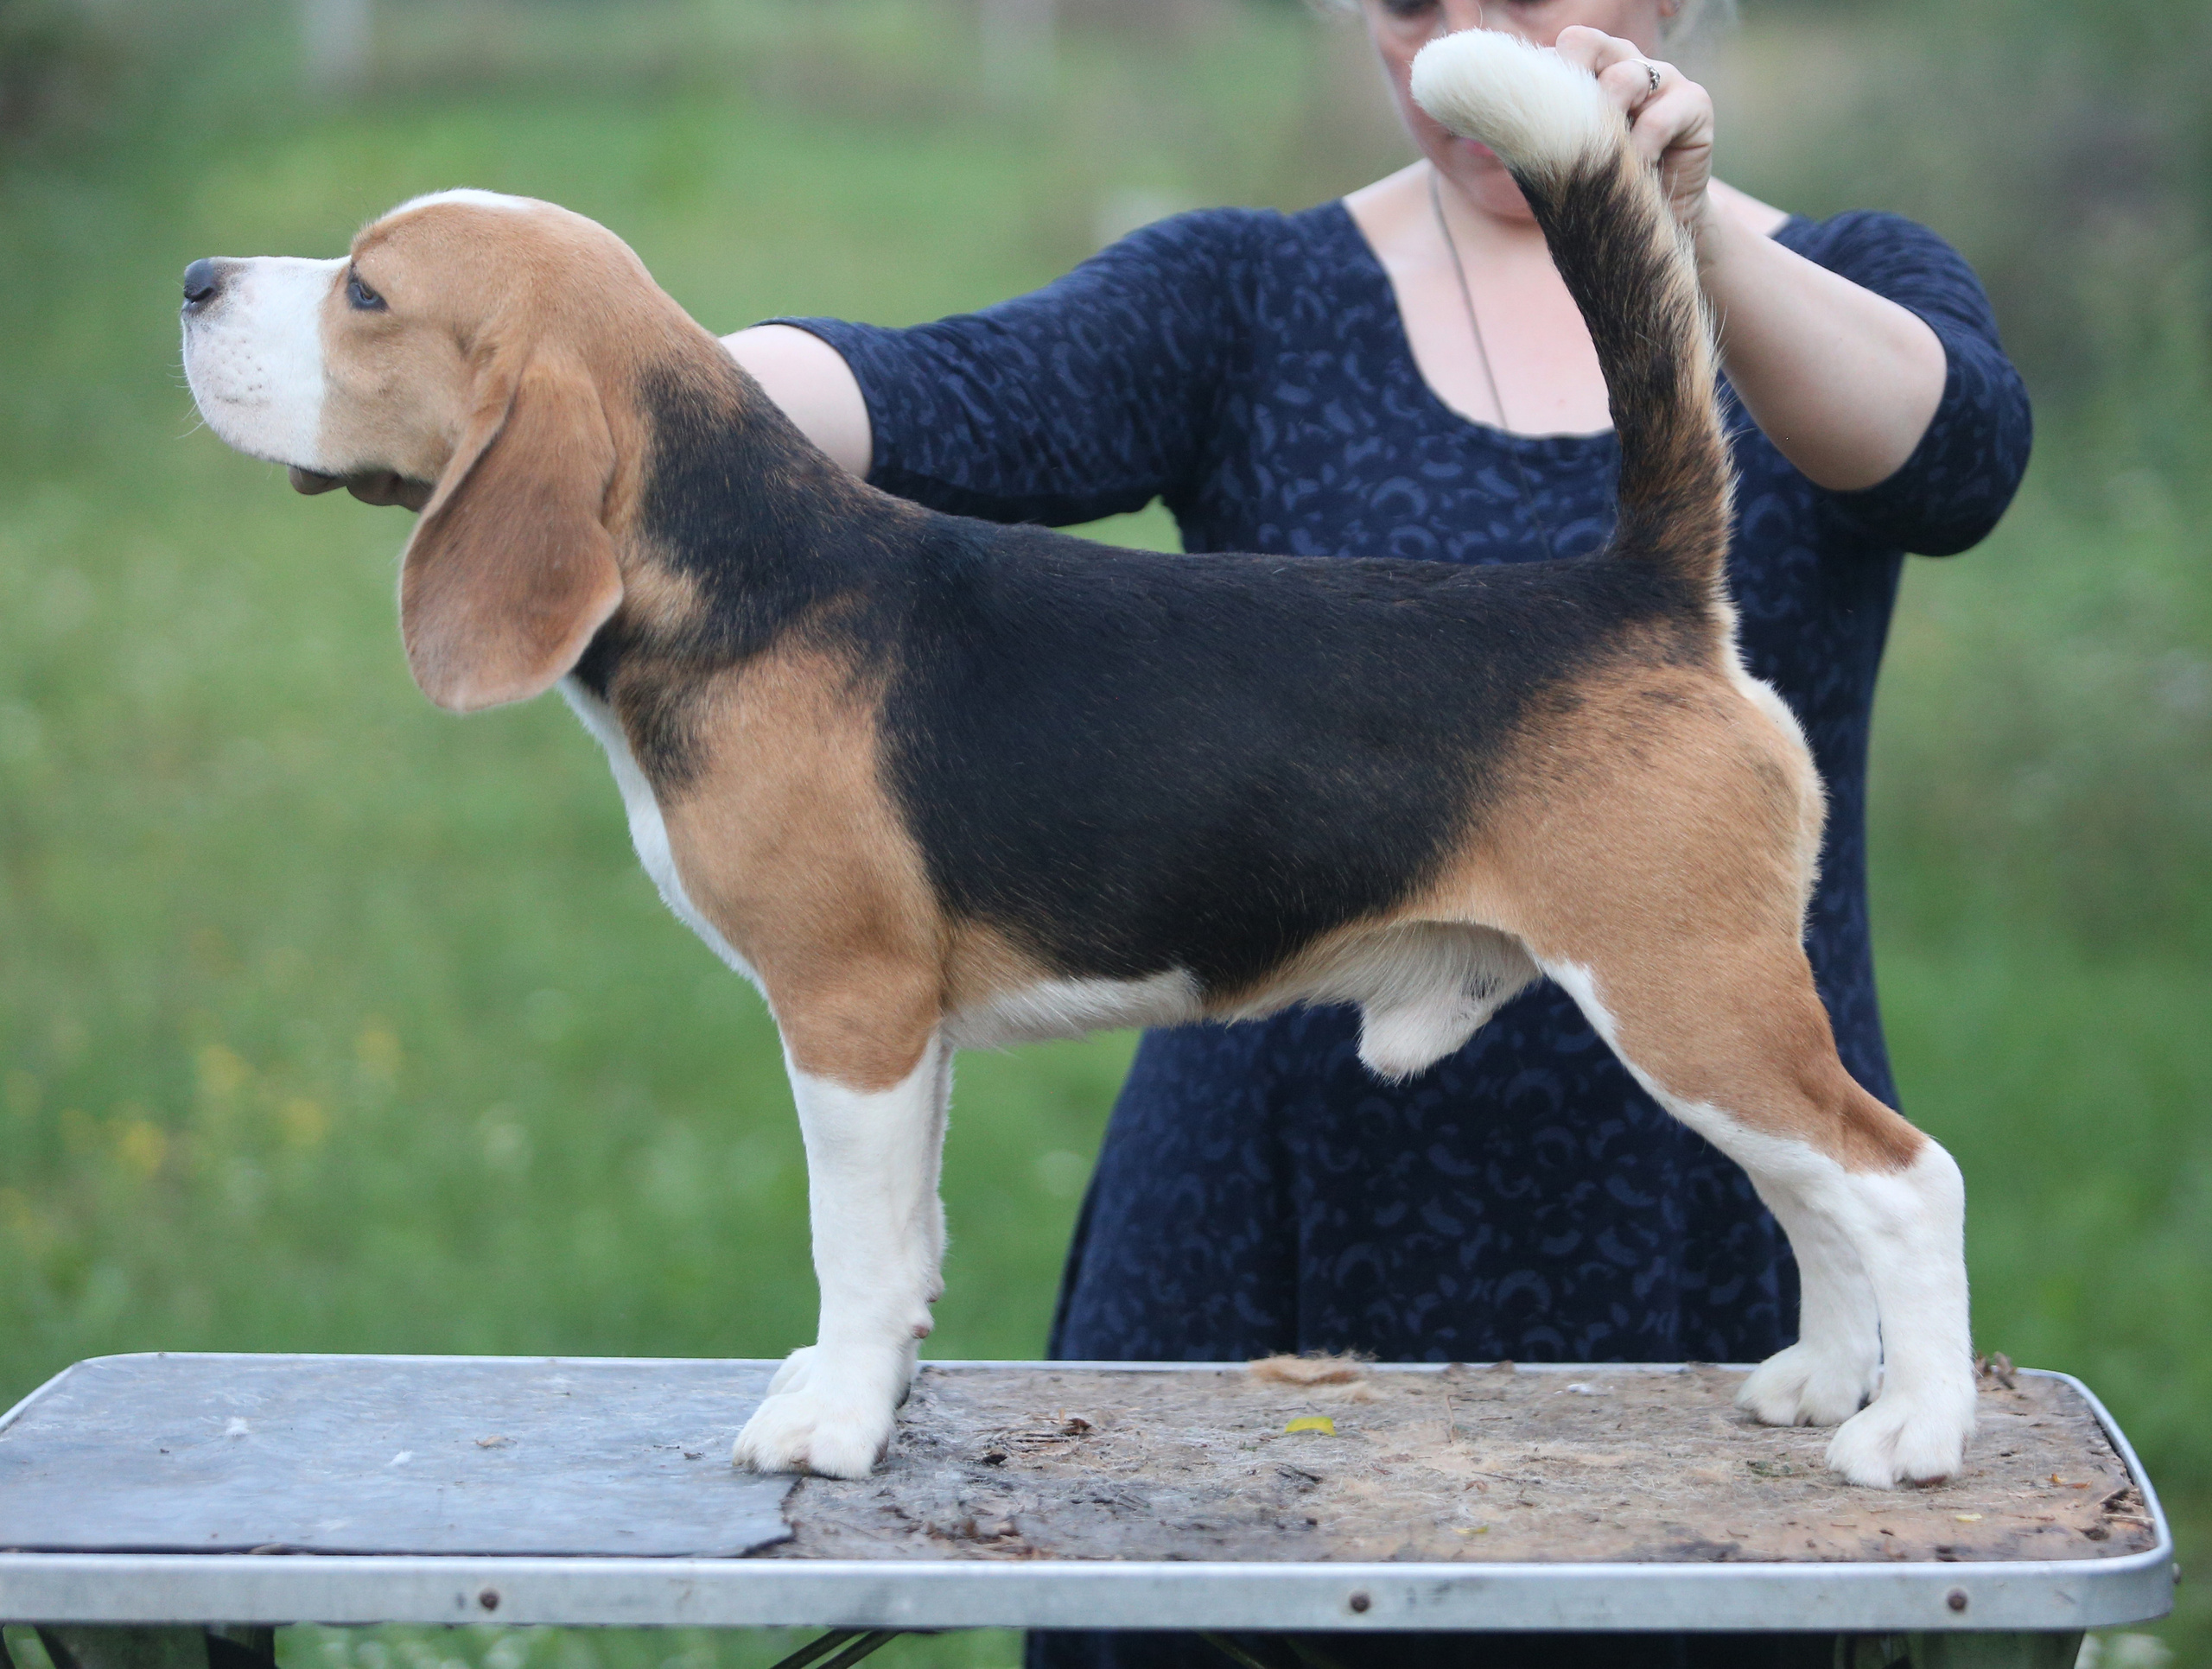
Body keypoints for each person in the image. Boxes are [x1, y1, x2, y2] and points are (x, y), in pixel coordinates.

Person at [302, 2, 2029, 1661]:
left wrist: (1672, 225)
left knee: (1768, 1090)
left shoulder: (1862, 273)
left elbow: (1955, 457)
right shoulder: (1232, 287)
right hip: (1237, 1253)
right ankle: (1834, 1338)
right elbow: (943, 389)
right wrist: (624, 389)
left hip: (1609, 855)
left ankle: (1908, 1352)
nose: (1450, 34)